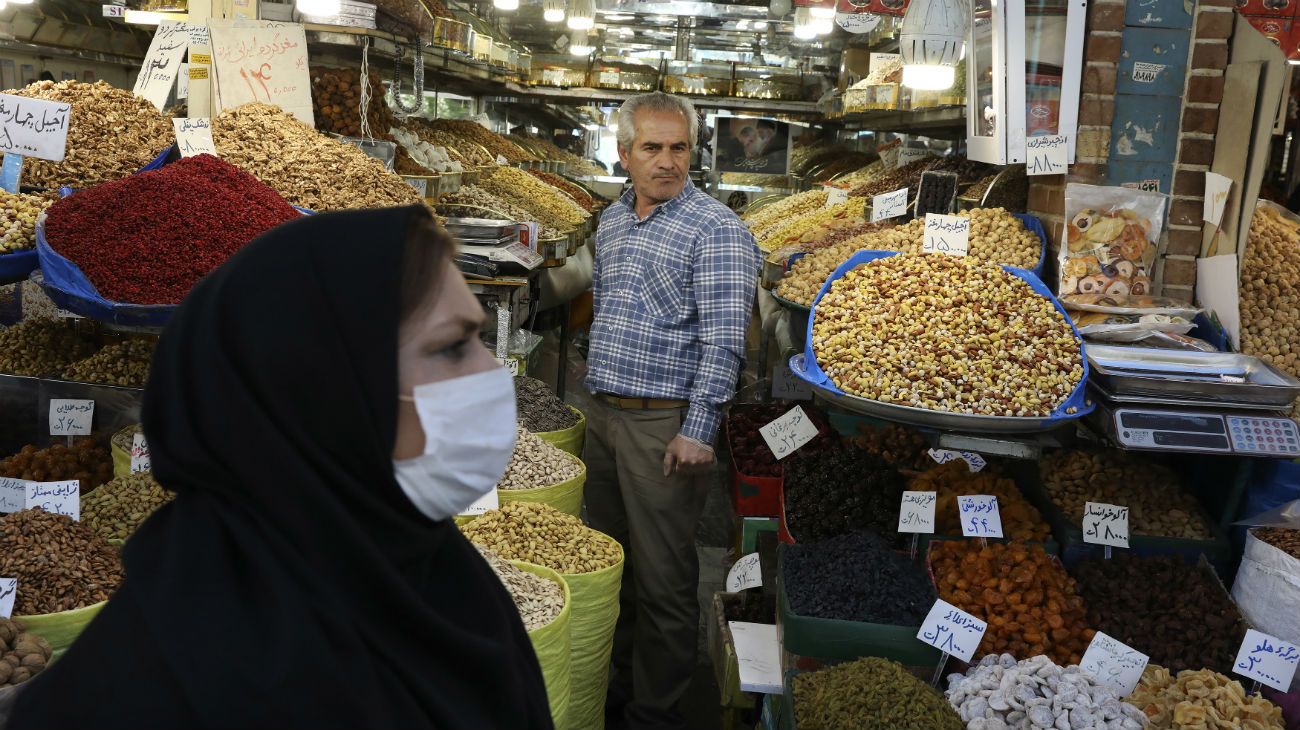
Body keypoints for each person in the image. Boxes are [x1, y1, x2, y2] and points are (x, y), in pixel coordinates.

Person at [7, 206, 554, 730]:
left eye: (478, 338)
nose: (491, 371)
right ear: (326, 391)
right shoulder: (158, 685)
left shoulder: (439, 576)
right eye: (452, 346)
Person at [584, 91, 760, 730]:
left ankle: (653, 715)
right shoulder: (612, 221)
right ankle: (612, 689)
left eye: (678, 147)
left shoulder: (717, 230)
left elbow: (724, 342)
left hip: (664, 425)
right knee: (608, 566)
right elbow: (607, 307)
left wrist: (697, 429)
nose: (666, 161)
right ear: (623, 153)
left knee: (662, 581)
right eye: (651, 148)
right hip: (605, 416)